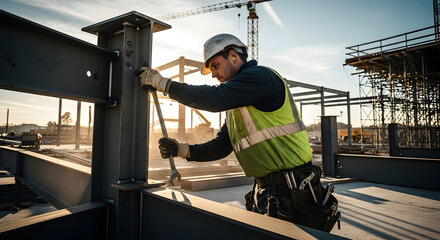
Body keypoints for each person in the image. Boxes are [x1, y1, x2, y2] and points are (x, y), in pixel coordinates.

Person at [138, 33, 339, 232]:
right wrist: (183, 150)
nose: (214, 74)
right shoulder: (238, 105)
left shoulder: (261, 77)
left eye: (215, 66)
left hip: (293, 189)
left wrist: (164, 84)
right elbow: (222, 145)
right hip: (269, 191)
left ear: (233, 56)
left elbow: (215, 98)